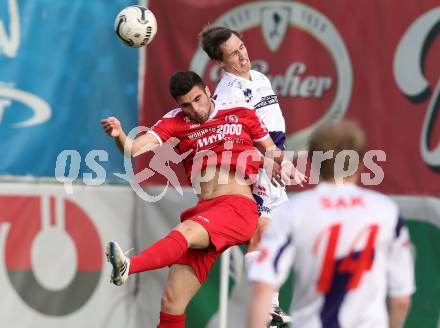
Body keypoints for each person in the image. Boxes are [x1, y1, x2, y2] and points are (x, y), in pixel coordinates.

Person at [101, 71, 303, 328]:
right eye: (186, 104)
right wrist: (119, 135)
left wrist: (282, 165)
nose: (195, 109)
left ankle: (128, 266)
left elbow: (272, 150)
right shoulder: (175, 121)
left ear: (208, 90)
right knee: (172, 301)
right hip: (206, 210)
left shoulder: (241, 113)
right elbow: (133, 148)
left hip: (237, 207)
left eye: (198, 99)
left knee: (185, 232)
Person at [247, 120, 415, 328]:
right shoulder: (386, 211)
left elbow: (263, 288)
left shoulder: (293, 212)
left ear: (312, 160)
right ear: (361, 161)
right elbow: (401, 299)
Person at [199, 26, 292, 324]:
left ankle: (270, 306)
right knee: (261, 233)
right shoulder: (226, 94)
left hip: (274, 162)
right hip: (255, 168)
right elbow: (237, 136)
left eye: (242, 47)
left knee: (280, 234)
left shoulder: (260, 77)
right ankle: (266, 308)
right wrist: (266, 162)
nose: (243, 55)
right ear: (219, 62)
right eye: (234, 53)